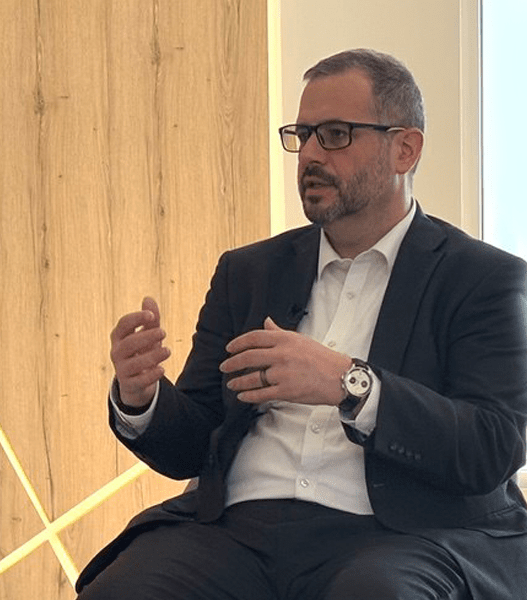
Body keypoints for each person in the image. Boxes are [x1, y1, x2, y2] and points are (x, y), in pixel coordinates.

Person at [76, 49, 527, 600]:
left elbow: (493, 445)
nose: (310, 154)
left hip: (401, 533)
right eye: (302, 135)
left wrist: (349, 384)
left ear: (404, 149)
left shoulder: (482, 278)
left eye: (335, 134)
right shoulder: (248, 271)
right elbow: (194, 444)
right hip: (237, 531)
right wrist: (142, 398)